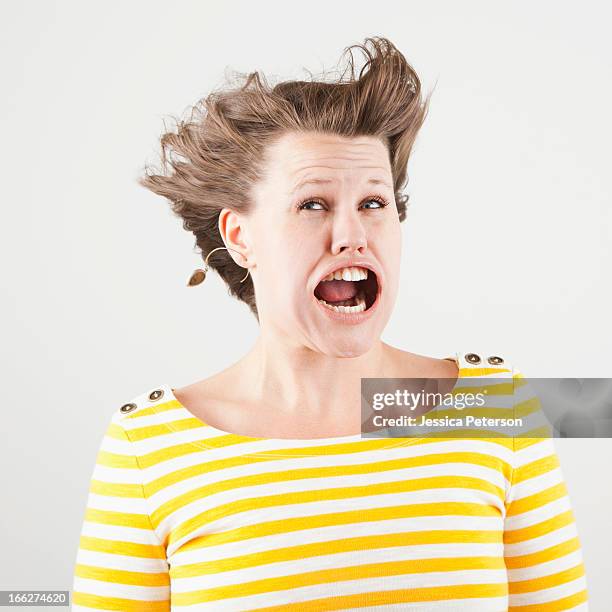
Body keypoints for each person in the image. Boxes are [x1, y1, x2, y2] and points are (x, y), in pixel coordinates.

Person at [71, 37, 588, 610]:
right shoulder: (147, 450)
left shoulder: (497, 407)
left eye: (373, 203)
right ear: (241, 238)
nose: (352, 235)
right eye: (312, 204)